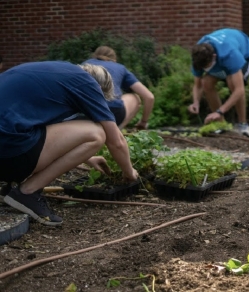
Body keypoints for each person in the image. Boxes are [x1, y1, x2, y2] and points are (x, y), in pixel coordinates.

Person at [0, 61, 138, 226]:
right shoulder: (87, 83)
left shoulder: (54, 73)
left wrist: (87, 157)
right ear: (99, 90)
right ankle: (27, 192)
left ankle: (8, 189)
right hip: (9, 155)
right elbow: (116, 141)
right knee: (97, 134)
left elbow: (45, 129)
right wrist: (129, 173)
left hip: (6, 152)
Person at [188, 28, 249, 138]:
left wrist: (220, 111)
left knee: (232, 83)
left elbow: (239, 90)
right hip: (222, 57)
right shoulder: (198, 56)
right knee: (206, 82)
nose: (205, 70)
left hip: (245, 54)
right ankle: (221, 124)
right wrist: (196, 102)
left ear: (214, 57)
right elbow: (198, 85)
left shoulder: (230, 54)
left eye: (206, 67)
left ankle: (243, 124)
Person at [83, 46, 155, 130]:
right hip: (113, 112)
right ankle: (116, 131)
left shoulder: (84, 65)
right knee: (135, 98)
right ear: (114, 58)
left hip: (85, 111)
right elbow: (149, 97)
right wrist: (143, 122)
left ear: (94, 55)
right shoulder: (120, 68)